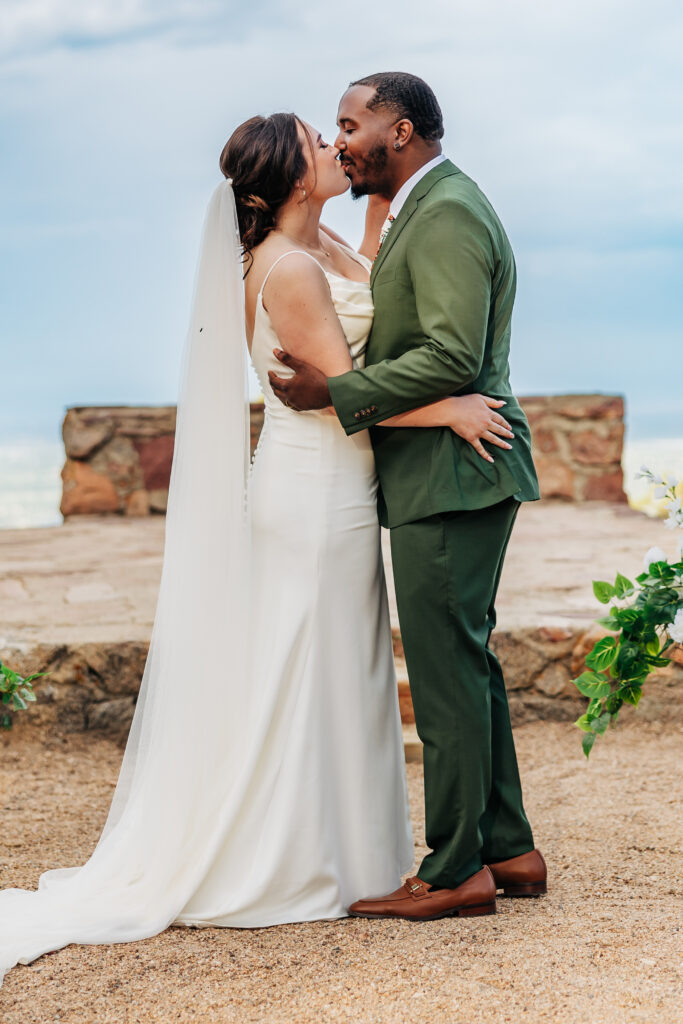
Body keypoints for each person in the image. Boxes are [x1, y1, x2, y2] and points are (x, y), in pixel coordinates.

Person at [0, 110, 517, 987]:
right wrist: (451, 408)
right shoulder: (286, 271)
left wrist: (378, 207)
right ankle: (283, 854)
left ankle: (345, 847)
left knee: (338, 666)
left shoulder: (330, 246)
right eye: (322, 143)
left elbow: (375, 305)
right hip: (316, 488)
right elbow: (332, 393)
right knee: (305, 665)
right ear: (284, 179)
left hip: (343, 487)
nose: (335, 148)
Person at [268, 72, 548, 921]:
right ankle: (509, 849)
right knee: (467, 663)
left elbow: (450, 358)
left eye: (351, 123)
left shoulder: (449, 211)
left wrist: (334, 396)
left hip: (452, 476)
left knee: (445, 672)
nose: (340, 138)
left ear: (400, 129)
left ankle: (454, 869)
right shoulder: (415, 209)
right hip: (443, 471)